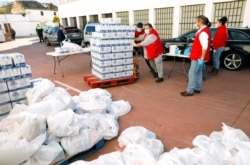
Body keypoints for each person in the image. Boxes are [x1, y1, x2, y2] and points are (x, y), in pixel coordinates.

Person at [180, 15, 211, 96]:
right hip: (198, 55)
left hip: (198, 57)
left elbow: (205, 46)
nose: (195, 23)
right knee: (198, 73)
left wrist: (201, 58)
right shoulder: (202, 30)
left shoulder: (203, 32)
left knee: (192, 73)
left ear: (200, 22)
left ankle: (190, 91)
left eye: (196, 21)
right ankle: (197, 88)